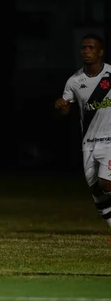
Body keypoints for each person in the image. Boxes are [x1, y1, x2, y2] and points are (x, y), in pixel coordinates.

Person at [55, 33, 111, 230]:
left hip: (110, 141)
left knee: (107, 184)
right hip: (88, 143)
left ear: (100, 52)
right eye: (83, 48)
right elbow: (66, 109)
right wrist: (61, 106)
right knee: (96, 190)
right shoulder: (74, 81)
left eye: (91, 48)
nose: (86, 51)